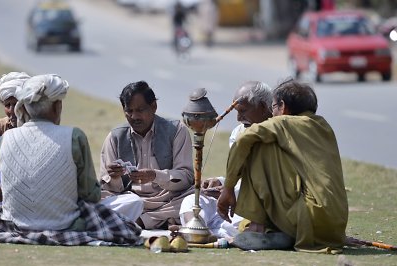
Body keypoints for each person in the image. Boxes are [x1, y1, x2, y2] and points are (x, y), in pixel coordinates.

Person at [0, 74, 141, 246]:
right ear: (56, 107)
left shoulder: (6, 138)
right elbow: (90, 195)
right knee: (127, 205)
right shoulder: (74, 136)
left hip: (16, 225)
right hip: (65, 225)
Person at [217, 79, 348, 253]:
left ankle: (259, 227)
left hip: (308, 220)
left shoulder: (283, 123)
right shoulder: (323, 125)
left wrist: (228, 189)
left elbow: (242, 141)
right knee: (262, 140)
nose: (273, 113)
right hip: (334, 227)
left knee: (255, 143)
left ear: (283, 107)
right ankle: (278, 230)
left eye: (274, 107)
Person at [179, 81, 273, 239]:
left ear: (263, 107)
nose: (238, 118)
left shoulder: (277, 134)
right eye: (236, 111)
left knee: (247, 223)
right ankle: (198, 231)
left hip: (258, 206)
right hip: (235, 201)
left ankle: (211, 232)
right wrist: (221, 183)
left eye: (243, 111)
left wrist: (231, 191)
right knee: (191, 201)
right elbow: (241, 176)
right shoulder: (239, 132)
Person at [100, 80, 194, 230]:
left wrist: (155, 175)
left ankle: (140, 222)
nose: (134, 116)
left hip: (168, 199)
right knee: (104, 200)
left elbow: (186, 177)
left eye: (140, 110)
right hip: (132, 201)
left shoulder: (176, 131)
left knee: (194, 197)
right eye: (129, 111)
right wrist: (115, 177)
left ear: (154, 107)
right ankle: (157, 220)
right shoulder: (115, 137)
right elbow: (109, 189)